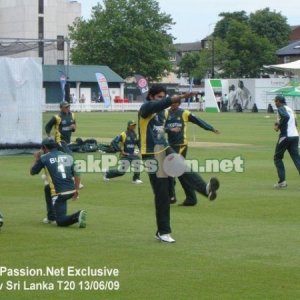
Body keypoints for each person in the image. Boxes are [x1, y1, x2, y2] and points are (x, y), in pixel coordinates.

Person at [138, 85, 220, 243]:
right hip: (150, 153)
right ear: (151, 96)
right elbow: (159, 106)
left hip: (164, 148)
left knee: (182, 167)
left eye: (164, 96)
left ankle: (205, 188)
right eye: (159, 96)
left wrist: (169, 131)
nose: (162, 99)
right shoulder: (146, 108)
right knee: (162, 194)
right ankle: (163, 232)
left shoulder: (164, 113)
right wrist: (182, 97)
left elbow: (159, 130)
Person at [165, 102, 220, 206]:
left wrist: (210, 128)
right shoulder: (166, 114)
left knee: (174, 170)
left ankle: (172, 196)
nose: (173, 105)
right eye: (172, 102)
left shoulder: (184, 113)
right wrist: (169, 129)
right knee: (179, 172)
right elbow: (161, 128)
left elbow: (198, 121)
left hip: (181, 145)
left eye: (176, 103)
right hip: (170, 146)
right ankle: (191, 198)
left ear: (179, 104)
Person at [30, 137, 86, 228]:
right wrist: (76, 189)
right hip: (71, 190)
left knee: (60, 221)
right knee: (48, 188)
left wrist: (36, 158)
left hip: (59, 193)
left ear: (44, 147)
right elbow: (77, 174)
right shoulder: (68, 156)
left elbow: (32, 172)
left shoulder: (44, 158)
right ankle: (51, 217)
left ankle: (77, 215)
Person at [273, 95, 300, 188]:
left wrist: (279, 126)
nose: (275, 103)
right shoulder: (290, 109)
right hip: (295, 136)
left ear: (279, 101)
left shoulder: (281, 108)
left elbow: (286, 117)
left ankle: (282, 182)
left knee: (277, 157)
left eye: (275, 101)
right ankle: (282, 182)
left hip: (286, 136)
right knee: (297, 159)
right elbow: (295, 123)